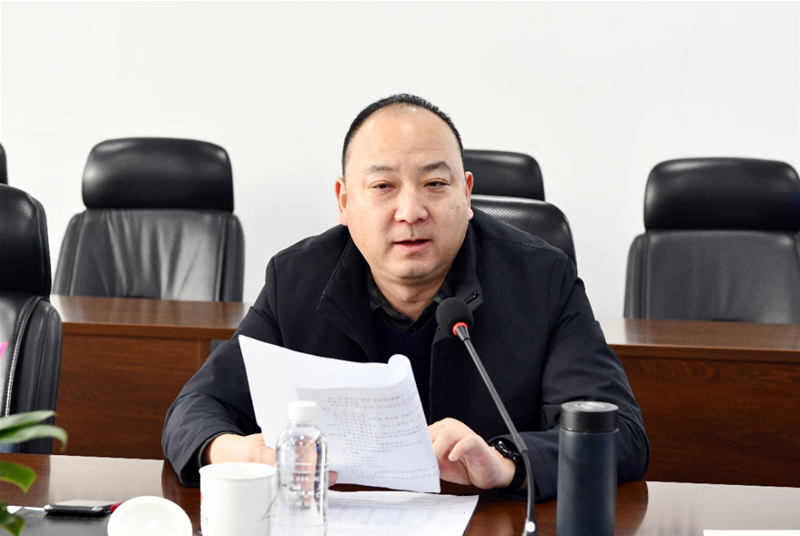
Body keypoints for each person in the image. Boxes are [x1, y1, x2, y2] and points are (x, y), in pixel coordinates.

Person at [162, 94, 649, 500]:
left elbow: (620, 432)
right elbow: (194, 408)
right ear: (345, 201)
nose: (411, 210)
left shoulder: (542, 279)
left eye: (435, 184)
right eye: (383, 186)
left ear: (466, 193)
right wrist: (246, 454)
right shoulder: (297, 280)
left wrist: (507, 462)